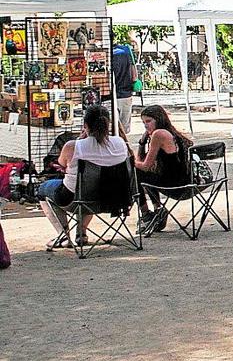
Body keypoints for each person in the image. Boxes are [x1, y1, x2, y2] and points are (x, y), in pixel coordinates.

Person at [35, 105, 131, 249]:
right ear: (108, 124)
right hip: (113, 199)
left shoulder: (73, 146)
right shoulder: (120, 143)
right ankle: (81, 233)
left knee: (44, 189)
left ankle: (63, 235)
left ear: (86, 125)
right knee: (89, 186)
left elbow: (61, 165)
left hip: (76, 200)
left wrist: (80, 140)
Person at [133, 104, 192, 236]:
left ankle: (147, 213)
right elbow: (144, 162)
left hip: (175, 185)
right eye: (143, 122)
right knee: (144, 174)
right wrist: (142, 143)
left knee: (135, 173)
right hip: (186, 181)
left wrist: (129, 161)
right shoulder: (171, 132)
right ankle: (157, 209)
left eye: (148, 121)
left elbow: (145, 165)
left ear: (158, 119)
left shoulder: (159, 134)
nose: (146, 126)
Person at [112, 44, 139, 136]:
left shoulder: (107, 54)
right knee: (123, 129)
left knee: (111, 128)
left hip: (109, 96)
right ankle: (123, 147)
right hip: (125, 95)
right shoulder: (127, 51)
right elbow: (134, 77)